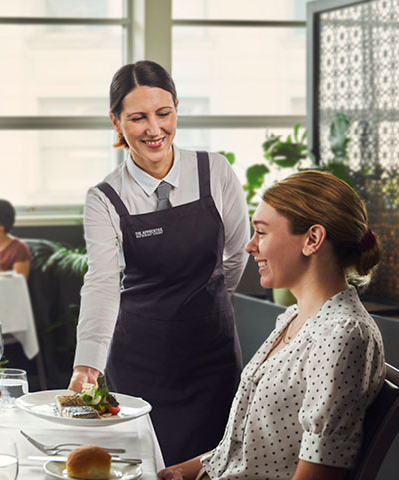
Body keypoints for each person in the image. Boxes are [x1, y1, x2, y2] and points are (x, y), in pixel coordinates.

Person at [69, 60, 250, 466]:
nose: (154, 129)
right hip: (142, 363)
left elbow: (236, 255)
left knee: (214, 465)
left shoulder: (214, 171)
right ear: (116, 122)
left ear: (176, 108)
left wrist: (210, 304)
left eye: (163, 113)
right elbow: (102, 282)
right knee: (148, 466)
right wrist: (88, 364)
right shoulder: (104, 198)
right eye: (138, 118)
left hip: (212, 358)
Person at [157, 170, 386, 480]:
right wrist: (179, 471)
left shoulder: (342, 335)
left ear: (312, 239)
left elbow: (319, 474)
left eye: (262, 232)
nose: (250, 246)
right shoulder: (294, 318)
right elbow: (244, 453)